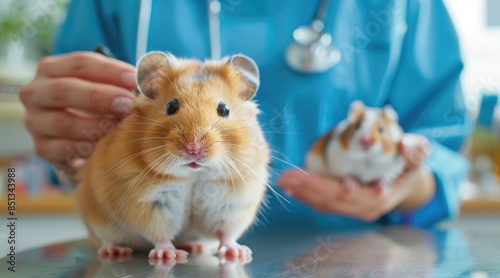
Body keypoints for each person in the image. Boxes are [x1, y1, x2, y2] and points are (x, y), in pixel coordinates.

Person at [19, 0, 469, 227]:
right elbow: (77, 140)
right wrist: (74, 139)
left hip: (358, 260)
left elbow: (442, 143)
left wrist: (409, 177)